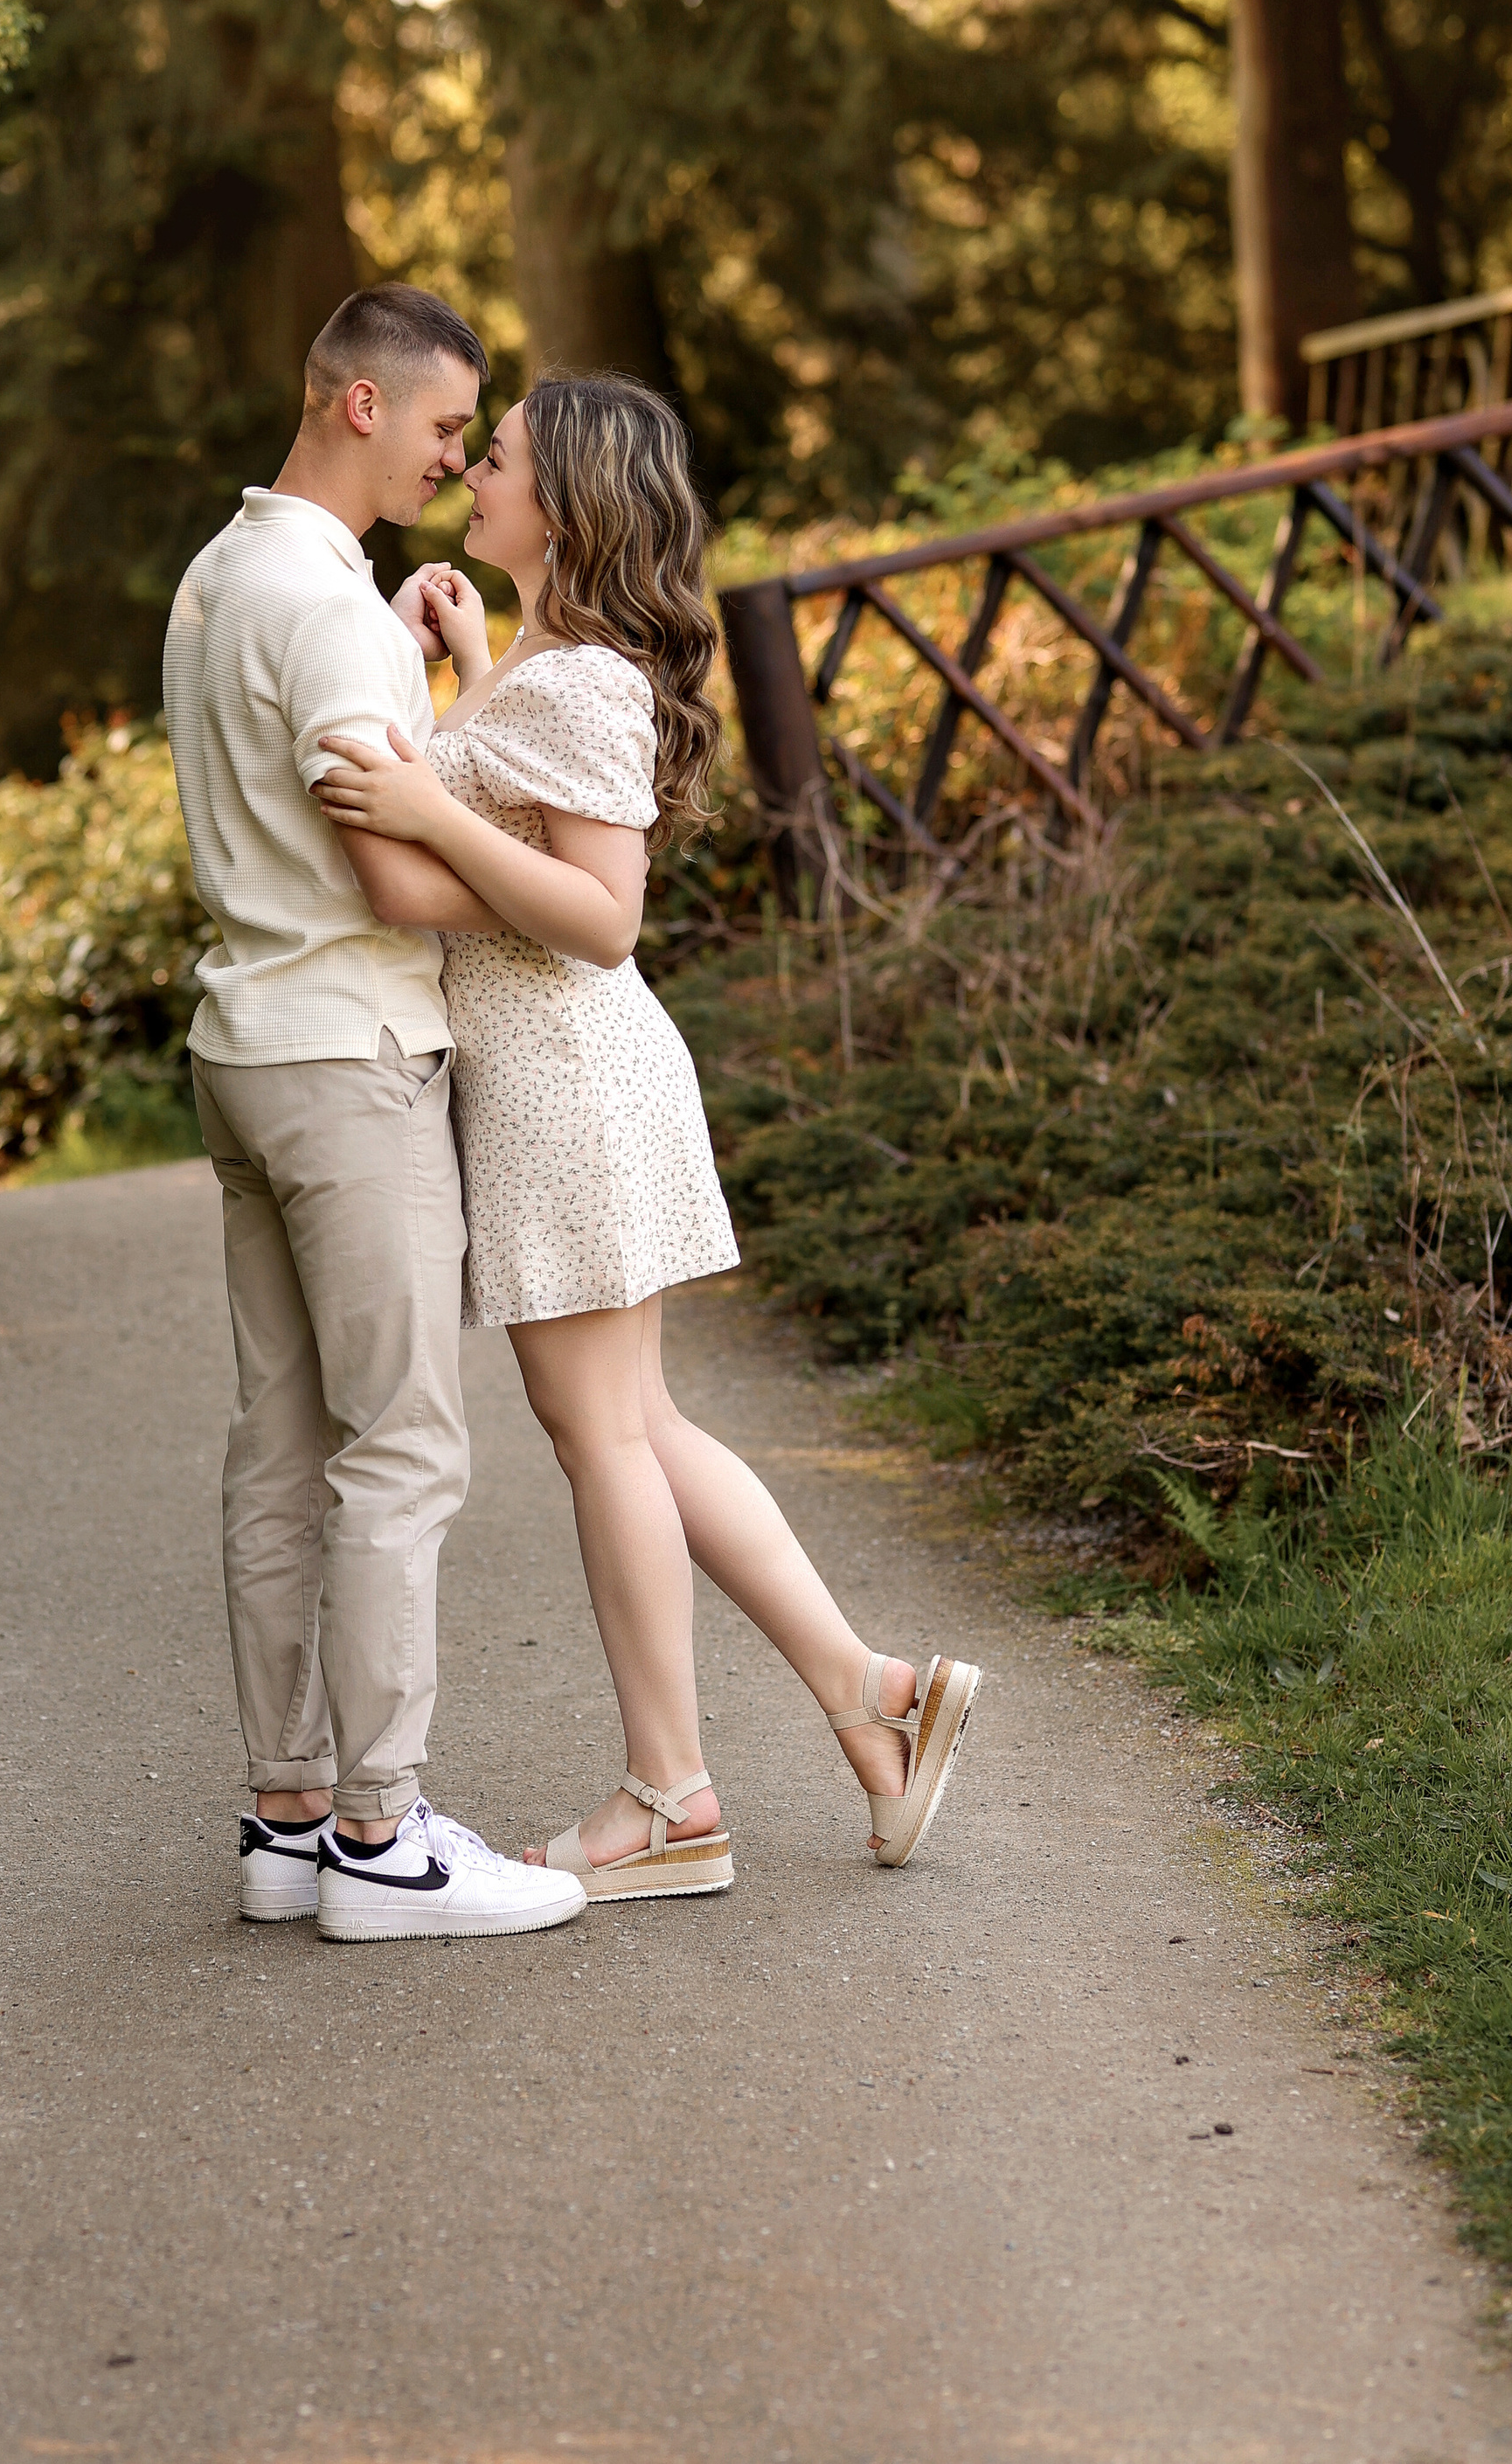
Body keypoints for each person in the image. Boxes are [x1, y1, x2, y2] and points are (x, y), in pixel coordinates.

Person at [313, 371, 982, 1896]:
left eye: (495, 457)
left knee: (605, 1433)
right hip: (568, 1078)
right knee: (641, 1426)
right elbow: (520, 829)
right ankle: (873, 1694)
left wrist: (424, 803)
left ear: (566, 505)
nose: (470, 473)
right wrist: (471, 674)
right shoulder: (551, 666)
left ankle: (670, 1794)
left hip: (567, 1079)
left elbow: (601, 914)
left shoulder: (579, 682)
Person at [163, 284, 586, 1944]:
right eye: (443, 427)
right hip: (350, 1056)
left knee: (278, 1442)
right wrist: (567, 904)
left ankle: (286, 1819)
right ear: (360, 403)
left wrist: (411, 669)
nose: (457, 461)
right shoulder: (325, 608)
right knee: (402, 1444)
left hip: (243, 1043)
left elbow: (318, 789)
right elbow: (392, 873)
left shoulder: (221, 576)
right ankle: (384, 1837)